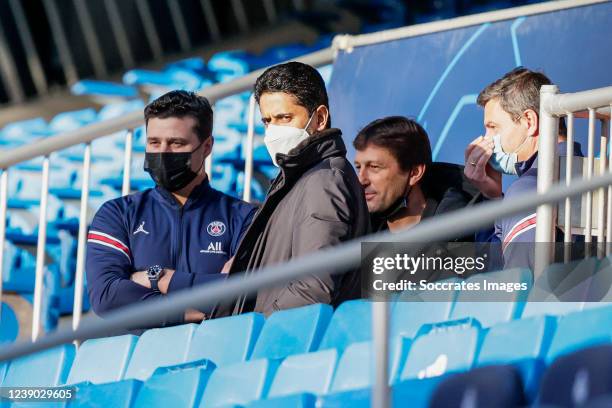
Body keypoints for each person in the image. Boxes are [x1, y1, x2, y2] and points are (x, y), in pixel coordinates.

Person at [86, 90, 257, 326]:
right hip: (137, 358)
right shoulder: (117, 214)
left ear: (206, 147)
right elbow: (107, 296)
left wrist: (159, 279)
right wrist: (183, 312)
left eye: (176, 143)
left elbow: (244, 293)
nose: (163, 152)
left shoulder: (244, 218)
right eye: (154, 142)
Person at [219, 61, 370, 317]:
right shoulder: (297, 177)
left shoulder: (324, 181)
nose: (274, 131)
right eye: (267, 121)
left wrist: (258, 334)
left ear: (319, 118)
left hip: (280, 343)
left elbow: (313, 287)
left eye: (284, 118)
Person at [464, 67, 582, 269]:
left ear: (529, 122)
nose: (487, 139)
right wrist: (491, 197)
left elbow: (511, 286)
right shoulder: (587, 172)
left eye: (493, 127)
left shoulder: (527, 189)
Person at [354, 116, 480, 236]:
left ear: (415, 173)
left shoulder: (468, 232)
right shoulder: (355, 235)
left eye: (374, 167)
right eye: (358, 167)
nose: (361, 180)